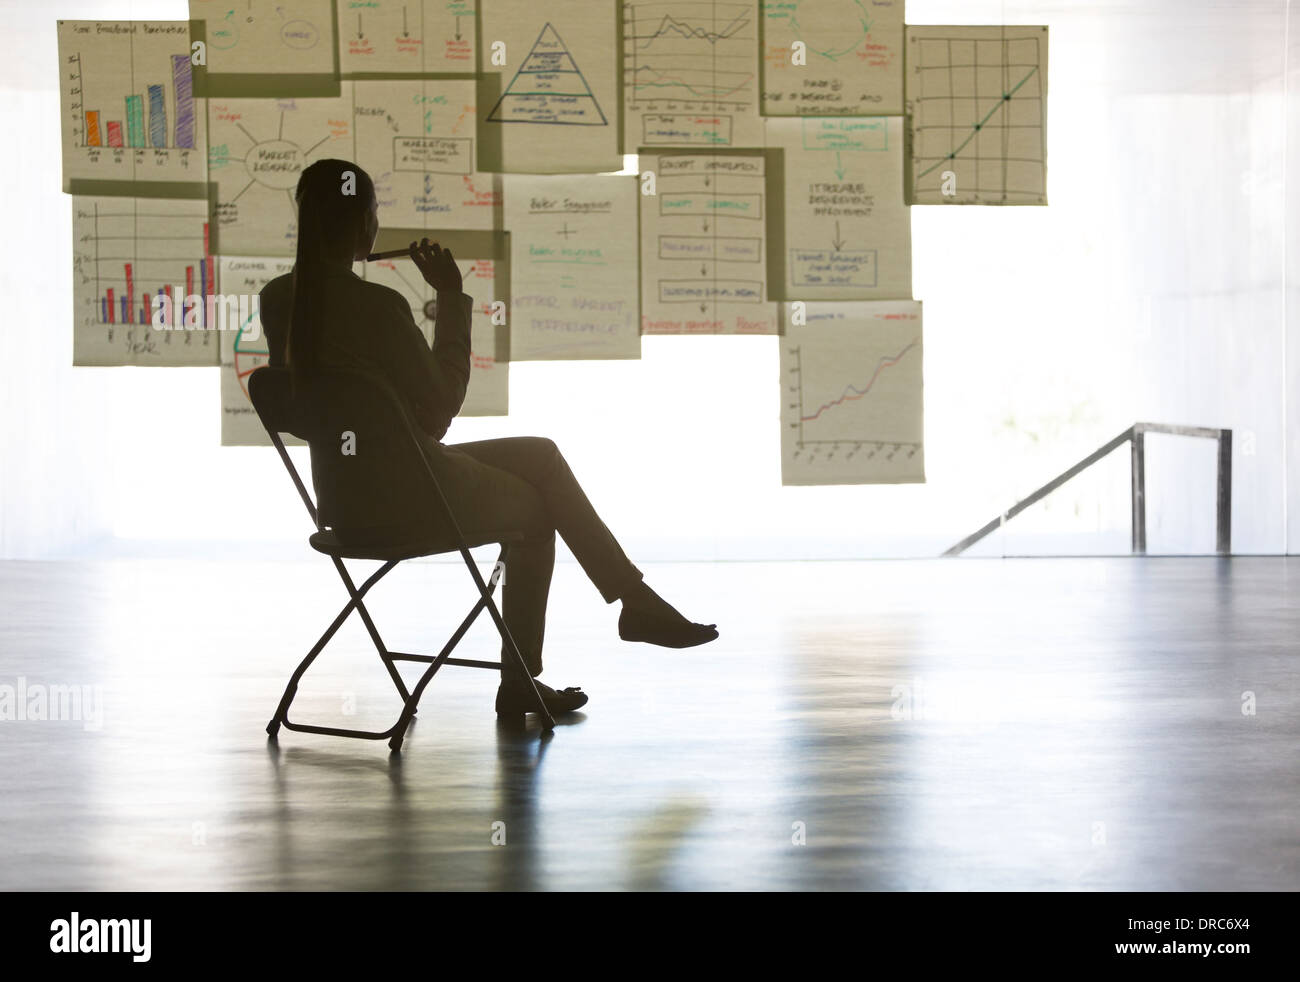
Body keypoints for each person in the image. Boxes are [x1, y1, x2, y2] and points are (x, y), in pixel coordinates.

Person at [259, 159, 718, 718]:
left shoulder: (278, 299)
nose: (378, 224)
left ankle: (632, 603)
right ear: (359, 224)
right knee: (536, 503)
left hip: (343, 501)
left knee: (540, 456)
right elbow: (439, 409)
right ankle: (551, 658)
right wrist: (451, 298)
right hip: (408, 498)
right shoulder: (379, 306)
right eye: (374, 211)